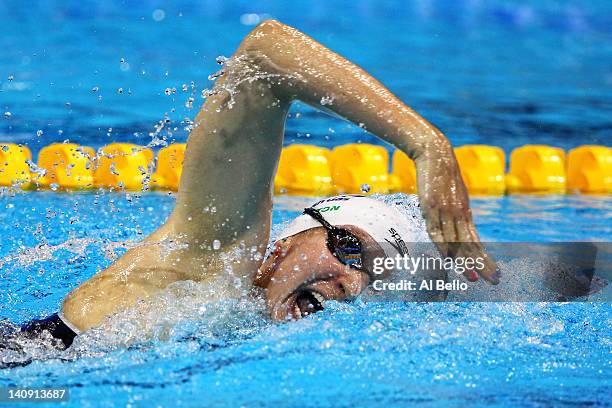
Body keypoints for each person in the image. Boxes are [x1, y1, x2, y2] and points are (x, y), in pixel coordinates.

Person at [21, 19, 499, 349]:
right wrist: (428, 144)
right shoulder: (213, 262)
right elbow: (266, 56)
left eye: (374, 281)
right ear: (281, 246)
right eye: (351, 250)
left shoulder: (261, 336)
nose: (353, 283)